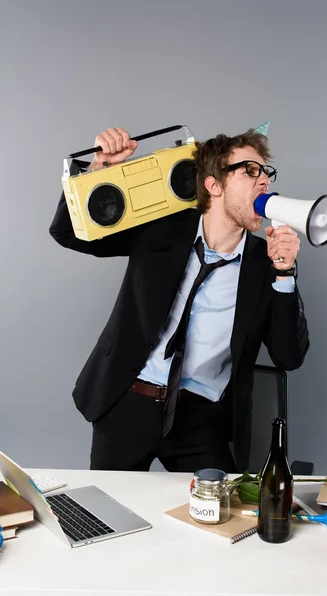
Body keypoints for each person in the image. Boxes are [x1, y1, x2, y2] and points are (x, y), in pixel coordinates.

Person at [49, 126, 309, 473]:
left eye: (266, 172)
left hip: (202, 419)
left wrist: (285, 274)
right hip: (128, 402)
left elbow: (289, 356)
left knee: (217, 520)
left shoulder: (266, 264)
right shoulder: (162, 227)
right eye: (249, 170)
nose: (263, 181)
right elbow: (67, 232)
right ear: (213, 185)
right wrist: (97, 169)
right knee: (110, 517)